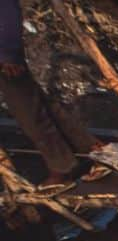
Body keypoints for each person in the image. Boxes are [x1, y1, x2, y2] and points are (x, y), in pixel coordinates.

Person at [0, 0, 109, 188]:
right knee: (41, 105)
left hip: (5, 60)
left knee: (29, 114)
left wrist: (8, 55)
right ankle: (94, 149)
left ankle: (62, 168)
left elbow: (7, 10)